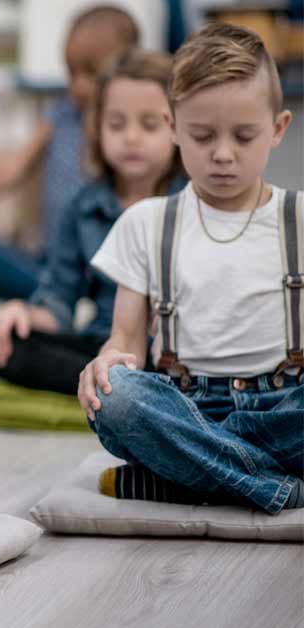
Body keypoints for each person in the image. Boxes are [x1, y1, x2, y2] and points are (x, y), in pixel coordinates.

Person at [79, 22, 303, 513]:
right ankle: (275, 486)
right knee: (116, 400)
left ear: (279, 128)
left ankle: (189, 478)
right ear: (174, 125)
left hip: (284, 407)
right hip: (187, 408)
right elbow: (126, 342)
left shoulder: (298, 220)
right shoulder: (147, 223)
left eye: (244, 136)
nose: (223, 154)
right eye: (202, 136)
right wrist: (107, 362)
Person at [0, 48, 185, 395]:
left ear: (178, 129)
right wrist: (21, 314)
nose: (131, 137)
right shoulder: (83, 205)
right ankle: (112, 384)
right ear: (97, 128)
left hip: (177, 354)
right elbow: (60, 299)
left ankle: (124, 387)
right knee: (12, 348)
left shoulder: (192, 202)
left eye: (149, 124)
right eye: (117, 124)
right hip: (103, 346)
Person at [0, 5, 140, 300]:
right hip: (50, 264)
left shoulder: (124, 131)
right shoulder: (62, 114)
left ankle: (72, 308)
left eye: (90, 74)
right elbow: (12, 168)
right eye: (71, 72)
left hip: (103, 272)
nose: (76, 85)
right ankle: (52, 303)